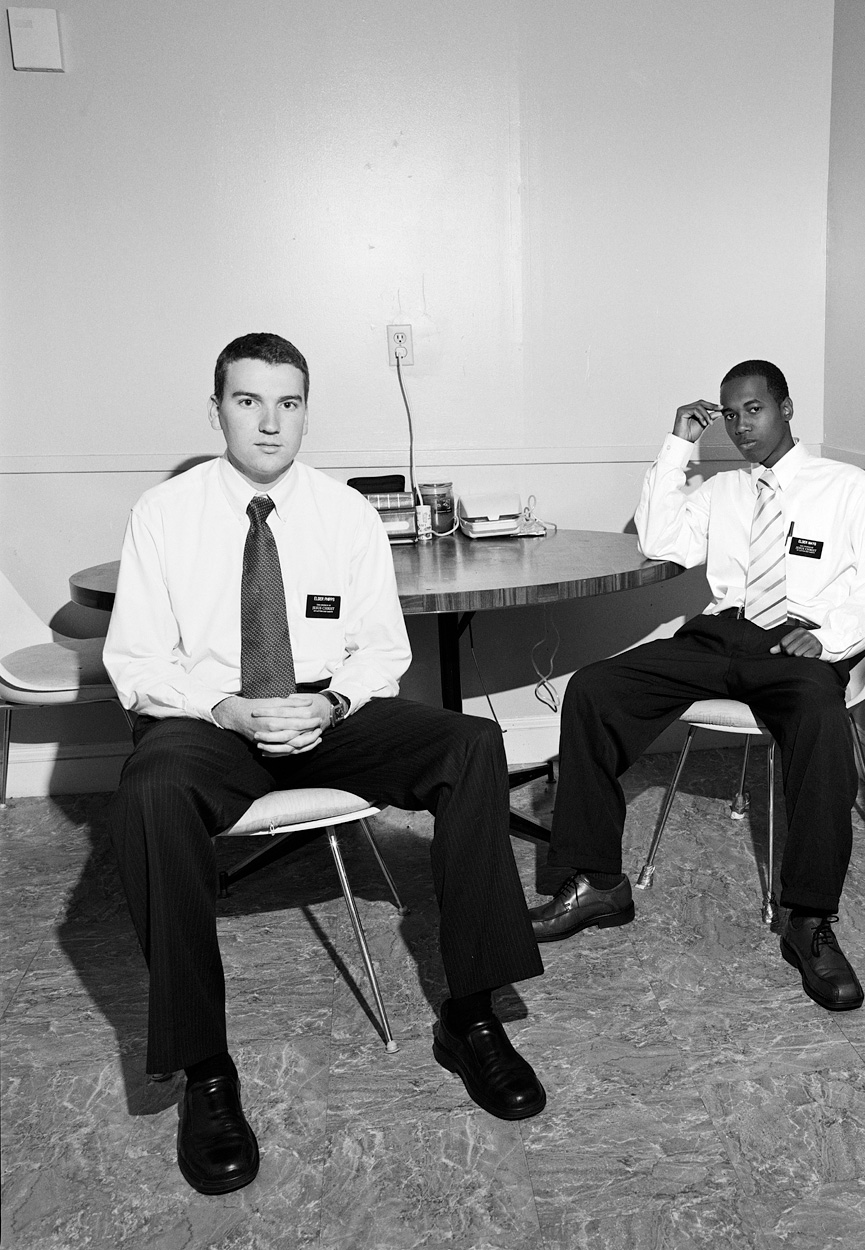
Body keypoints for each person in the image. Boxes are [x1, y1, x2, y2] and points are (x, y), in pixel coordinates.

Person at [103, 333, 546, 1197]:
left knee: (471, 745)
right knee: (150, 790)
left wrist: (335, 703)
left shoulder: (343, 511)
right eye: (248, 401)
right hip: (213, 717)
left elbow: (380, 648)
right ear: (216, 409)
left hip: (324, 709)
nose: (270, 423)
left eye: (290, 403)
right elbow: (137, 662)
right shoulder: (166, 513)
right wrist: (223, 708)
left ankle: (471, 1017)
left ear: (307, 411)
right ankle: (206, 1071)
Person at [529, 360, 865, 1011]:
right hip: (721, 636)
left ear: (786, 408)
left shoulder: (846, 487)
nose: (742, 424)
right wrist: (678, 444)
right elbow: (660, 537)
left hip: (799, 641)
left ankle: (809, 922)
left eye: (753, 409)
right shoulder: (725, 491)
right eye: (731, 414)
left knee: (820, 719)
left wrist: (832, 638)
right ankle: (598, 883)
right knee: (594, 688)